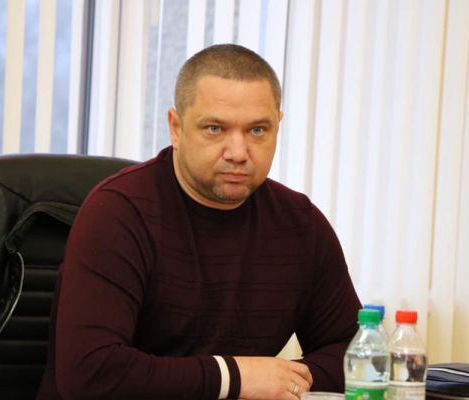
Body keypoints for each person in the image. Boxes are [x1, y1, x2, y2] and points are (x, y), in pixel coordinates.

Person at [37, 43, 361, 400]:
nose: (238, 153)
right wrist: (236, 378)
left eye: (257, 130)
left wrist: (283, 381)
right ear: (176, 128)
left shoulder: (300, 224)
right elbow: (91, 373)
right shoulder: (119, 213)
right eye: (215, 128)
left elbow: (356, 353)